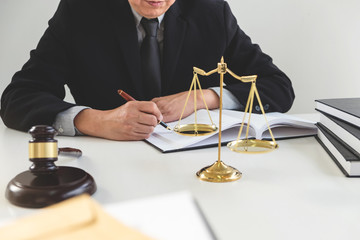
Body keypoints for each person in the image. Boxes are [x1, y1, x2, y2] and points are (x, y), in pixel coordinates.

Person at [0, 0, 295, 141]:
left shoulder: (211, 11)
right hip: (109, 166)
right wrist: (95, 121)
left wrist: (204, 97)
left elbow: (277, 86)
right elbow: (17, 98)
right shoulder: (80, 11)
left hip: (192, 168)